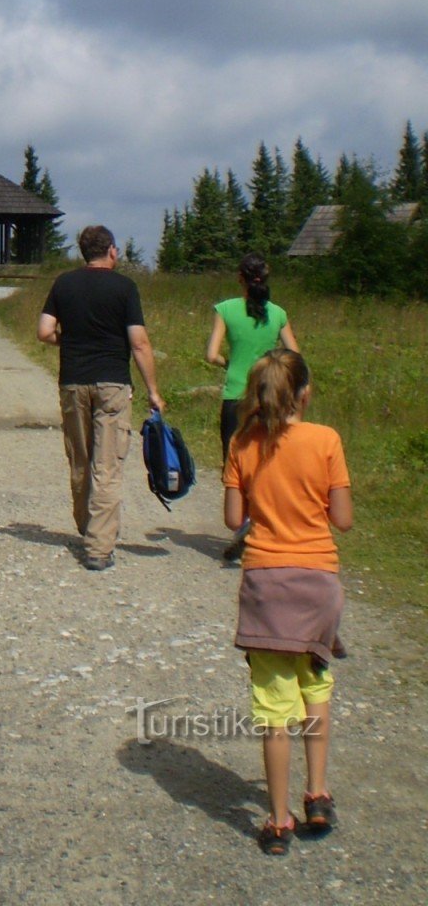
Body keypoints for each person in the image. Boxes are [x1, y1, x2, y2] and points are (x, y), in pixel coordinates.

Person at [223, 349, 352, 856]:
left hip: (266, 586)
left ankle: (279, 823)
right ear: (305, 392)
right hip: (317, 581)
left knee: (274, 710)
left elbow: (235, 519)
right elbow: (342, 518)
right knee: (315, 685)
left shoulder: (242, 442)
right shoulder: (326, 441)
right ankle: (317, 795)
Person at [37, 225, 164, 571]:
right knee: (106, 465)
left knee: (80, 458)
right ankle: (99, 547)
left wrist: (71, 340)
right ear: (111, 251)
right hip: (112, 383)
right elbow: (138, 343)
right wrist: (153, 390)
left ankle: (86, 526)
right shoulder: (125, 288)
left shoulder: (64, 284)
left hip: (73, 382)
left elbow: (44, 332)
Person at [206, 253, 300, 561]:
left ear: (240, 279)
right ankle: (265, 525)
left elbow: (211, 355)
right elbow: (294, 355)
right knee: (268, 460)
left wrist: (230, 363)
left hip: (236, 393)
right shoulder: (278, 313)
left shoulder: (226, 310)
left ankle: (244, 521)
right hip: (270, 397)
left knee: (236, 461)